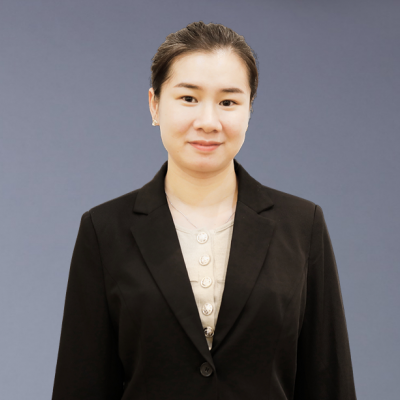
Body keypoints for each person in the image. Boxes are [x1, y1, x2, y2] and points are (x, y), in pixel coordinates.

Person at [52, 21, 357, 399]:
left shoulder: (301, 225)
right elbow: (80, 384)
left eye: (228, 102)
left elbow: (328, 380)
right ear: (154, 105)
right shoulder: (104, 229)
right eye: (188, 98)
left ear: (249, 109)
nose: (208, 122)